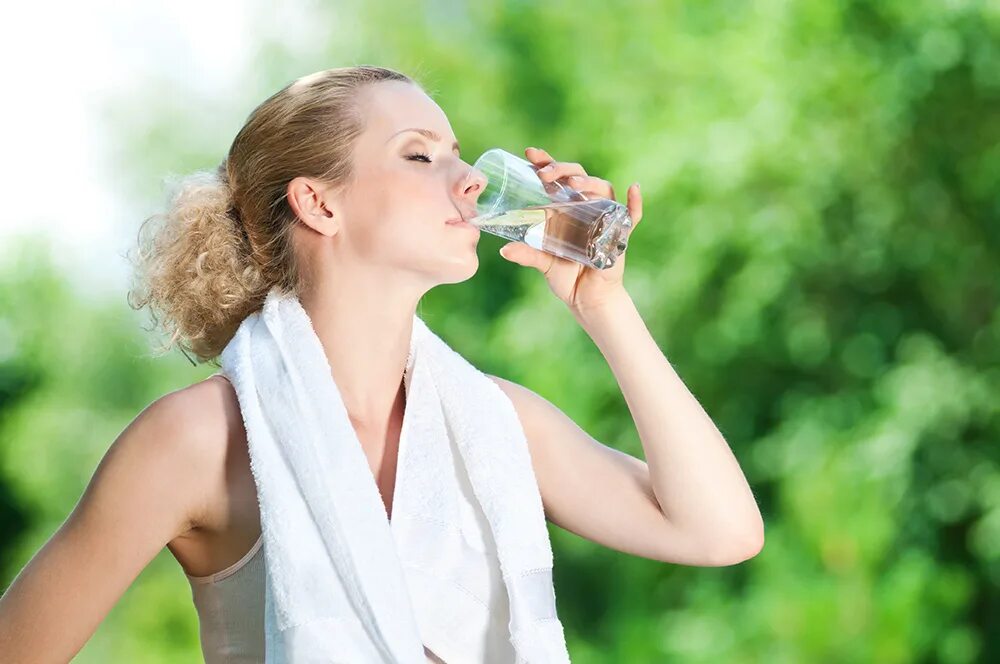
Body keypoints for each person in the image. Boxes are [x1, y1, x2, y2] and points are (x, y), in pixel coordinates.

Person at [0, 65, 764, 663]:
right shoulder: (196, 440)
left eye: (458, 155)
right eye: (419, 156)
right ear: (319, 204)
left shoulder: (497, 423)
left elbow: (719, 533)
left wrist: (604, 306)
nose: (469, 181)